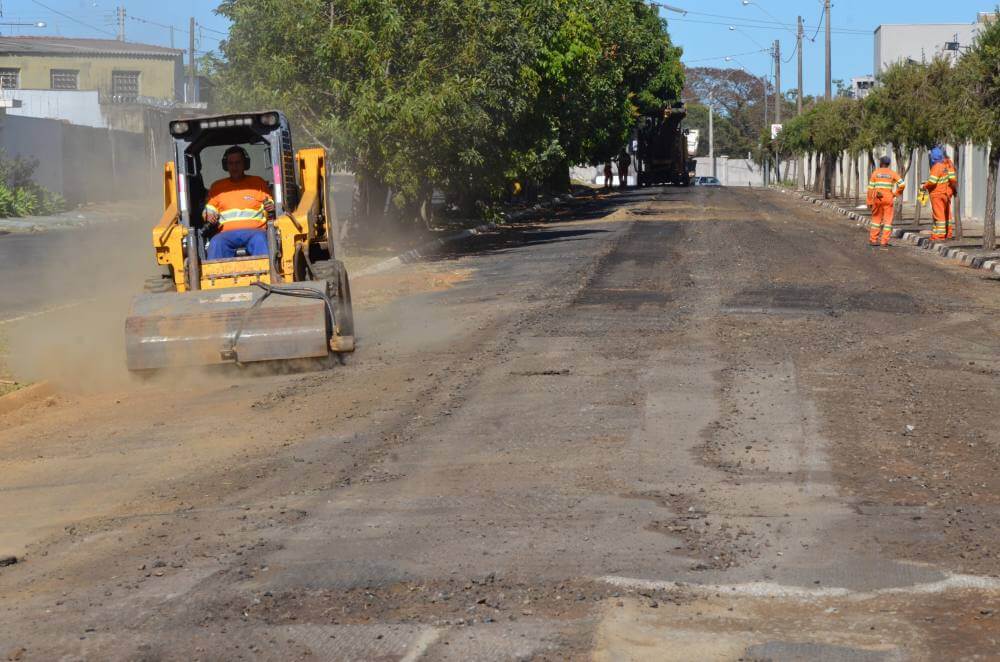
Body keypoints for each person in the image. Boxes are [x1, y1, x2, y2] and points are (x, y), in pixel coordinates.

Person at [203, 145, 275, 260]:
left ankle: (266, 274)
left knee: (260, 240)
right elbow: (209, 210)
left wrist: (270, 206)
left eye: (238, 163)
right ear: (226, 166)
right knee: (216, 242)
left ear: (245, 164)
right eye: (231, 163)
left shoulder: (258, 183)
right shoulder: (218, 187)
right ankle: (215, 277)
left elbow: (269, 203)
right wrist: (209, 216)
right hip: (225, 234)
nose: (234, 167)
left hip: (256, 232)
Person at [866, 155, 906, 248]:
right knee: (888, 221)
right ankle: (884, 241)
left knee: (876, 220)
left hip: (877, 198)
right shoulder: (892, 173)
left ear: (881, 163)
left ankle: (873, 240)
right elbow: (902, 184)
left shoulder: (875, 173)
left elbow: (870, 189)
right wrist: (896, 194)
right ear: (888, 164)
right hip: (888, 198)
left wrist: (869, 202)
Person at [920, 147, 958, 242]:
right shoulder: (947, 165)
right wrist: (953, 190)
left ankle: (940, 236)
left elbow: (932, 181)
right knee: (946, 215)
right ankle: (947, 233)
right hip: (946, 193)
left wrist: (924, 186)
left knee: (939, 215)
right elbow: (952, 179)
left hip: (937, 194)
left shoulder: (937, 166)